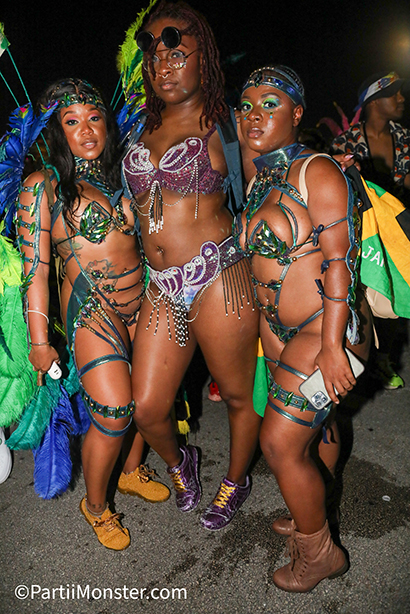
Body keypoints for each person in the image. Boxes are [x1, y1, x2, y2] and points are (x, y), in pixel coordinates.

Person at [122, 0, 261, 531]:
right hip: (161, 286)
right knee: (146, 407)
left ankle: (236, 479)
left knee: (239, 395)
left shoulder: (228, 124)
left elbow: (272, 183)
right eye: (155, 55)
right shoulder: (140, 128)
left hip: (219, 276)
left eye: (176, 50)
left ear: (205, 57)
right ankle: (182, 461)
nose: (163, 63)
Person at [17, 78, 169, 551]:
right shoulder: (41, 187)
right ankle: (97, 506)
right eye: (71, 121)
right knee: (115, 410)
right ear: (56, 131)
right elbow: (36, 271)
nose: (86, 130)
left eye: (94, 117)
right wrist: (39, 341)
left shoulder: (125, 174)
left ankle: (131, 470)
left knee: (148, 401)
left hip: (145, 300)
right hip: (92, 307)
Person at [236, 65, 372, 591]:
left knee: (278, 445)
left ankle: (319, 554)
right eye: (246, 106)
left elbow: (340, 263)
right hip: (280, 329)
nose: (254, 116)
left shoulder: (317, 171)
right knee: (313, 428)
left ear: (296, 113)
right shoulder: (259, 178)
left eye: (270, 104)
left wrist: (332, 347)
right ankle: (312, 506)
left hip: (326, 327)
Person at [331, 71, 410, 390]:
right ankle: (357, 358)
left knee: (393, 294)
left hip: (396, 228)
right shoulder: (346, 141)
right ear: (374, 102)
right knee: (362, 295)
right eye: (395, 94)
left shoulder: (404, 137)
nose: (401, 99)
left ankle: (383, 360)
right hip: (361, 231)